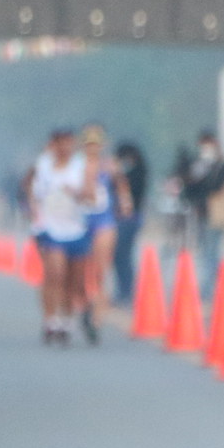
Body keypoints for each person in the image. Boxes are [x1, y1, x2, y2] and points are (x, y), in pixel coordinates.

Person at [22, 127, 95, 346]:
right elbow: (28, 186)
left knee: (73, 280)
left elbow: (90, 195)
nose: (64, 147)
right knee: (54, 273)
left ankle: (66, 319)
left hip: (76, 228)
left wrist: (77, 193)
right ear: (53, 144)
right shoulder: (42, 164)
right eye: (60, 143)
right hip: (50, 228)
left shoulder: (82, 166)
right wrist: (32, 206)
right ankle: (50, 320)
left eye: (68, 143)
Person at [79, 123, 132, 345]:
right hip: (81, 222)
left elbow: (121, 187)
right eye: (90, 144)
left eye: (97, 144)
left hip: (104, 221)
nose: (93, 148)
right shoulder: (77, 167)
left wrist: (125, 203)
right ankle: (85, 305)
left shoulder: (109, 166)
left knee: (101, 270)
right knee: (81, 271)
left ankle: (97, 318)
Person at [181, 131, 224, 288]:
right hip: (201, 212)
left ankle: (210, 286)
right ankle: (209, 284)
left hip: (216, 213)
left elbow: (218, 187)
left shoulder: (223, 165)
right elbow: (191, 187)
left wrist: (207, 172)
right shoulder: (197, 163)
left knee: (212, 250)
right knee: (205, 249)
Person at [110, 142, 149, 304]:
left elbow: (131, 193)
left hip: (131, 218)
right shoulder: (129, 173)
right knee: (119, 256)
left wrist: (119, 176)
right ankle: (123, 289)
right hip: (121, 218)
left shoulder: (138, 172)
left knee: (123, 255)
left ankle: (127, 290)